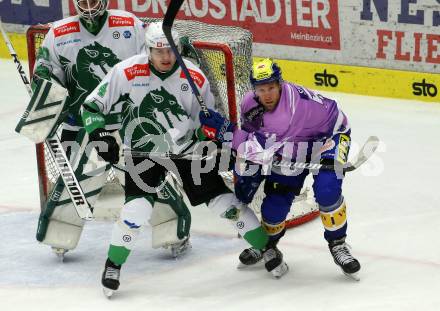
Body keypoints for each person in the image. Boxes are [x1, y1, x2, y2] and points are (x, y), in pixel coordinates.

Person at [81, 22, 269, 296]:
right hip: (142, 150)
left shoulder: (195, 78)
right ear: (148, 50)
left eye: (170, 50)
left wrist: (215, 143)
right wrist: (99, 135)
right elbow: (91, 105)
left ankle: (267, 247)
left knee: (223, 203)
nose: (166, 57)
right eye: (159, 51)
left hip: (187, 149)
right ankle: (113, 265)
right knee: (136, 211)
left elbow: (207, 122)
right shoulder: (126, 71)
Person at [31, 0, 189, 260]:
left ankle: (173, 231)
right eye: (84, 1)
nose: (89, 6)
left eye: (94, 0)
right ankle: (59, 236)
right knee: (76, 183)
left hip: (129, 120)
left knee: (149, 178)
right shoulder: (58, 33)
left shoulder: (128, 23)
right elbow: (47, 69)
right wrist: (44, 80)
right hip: (84, 122)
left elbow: (155, 54)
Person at [228, 58, 361, 279]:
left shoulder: (290, 109)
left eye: (271, 87)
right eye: (262, 89)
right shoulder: (249, 104)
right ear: (255, 90)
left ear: (280, 84)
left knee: (327, 189)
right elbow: (251, 137)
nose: (267, 94)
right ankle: (268, 244)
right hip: (292, 144)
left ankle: (338, 244)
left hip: (329, 137)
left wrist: (230, 136)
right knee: (275, 204)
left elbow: (259, 148)